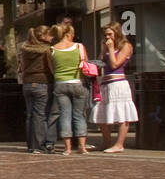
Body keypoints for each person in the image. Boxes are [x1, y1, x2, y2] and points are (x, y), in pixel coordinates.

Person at [93, 21, 138, 154]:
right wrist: (104, 50)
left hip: (118, 83)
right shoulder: (106, 46)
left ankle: (119, 144)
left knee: (121, 113)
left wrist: (112, 49)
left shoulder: (126, 46)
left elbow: (115, 64)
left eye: (110, 34)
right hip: (105, 83)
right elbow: (102, 63)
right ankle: (106, 142)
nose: (107, 37)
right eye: (105, 35)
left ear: (117, 33)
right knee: (100, 113)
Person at [50, 24, 90, 155]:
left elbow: (51, 68)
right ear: (68, 34)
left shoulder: (53, 49)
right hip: (77, 82)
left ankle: (67, 148)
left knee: (65, 115)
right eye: (72, 34)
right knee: (79, 115)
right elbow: (86, 64)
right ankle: (82, 147)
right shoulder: (79, 47)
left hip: (60, 84)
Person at [19, 26, 55, 154]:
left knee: (30, 115)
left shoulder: (25, 49)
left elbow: (22, 66)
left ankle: (30, 145)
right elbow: (51, 67)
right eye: (50, 35)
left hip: (27, 83)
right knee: (40, 115)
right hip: (42, 83)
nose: (52, 37)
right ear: (43, 36)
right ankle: (39, 145)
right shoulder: (46, 50)